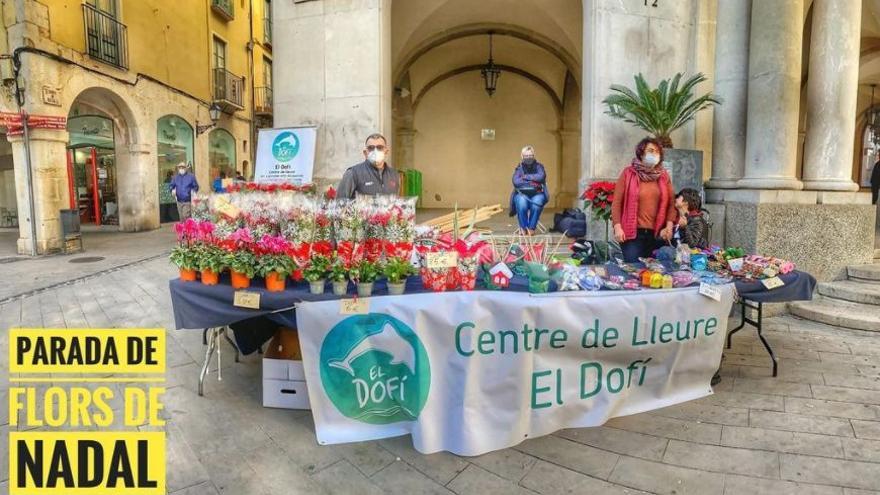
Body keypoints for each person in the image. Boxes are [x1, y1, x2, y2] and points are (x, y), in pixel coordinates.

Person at [611, 137, 676, 262]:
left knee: (654, 273)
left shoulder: (663, 176)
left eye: (657, 152)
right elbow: (617, 202)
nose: (654, 154)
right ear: (641, 152)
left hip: (656, 234)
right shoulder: (628, 173)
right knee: (634, 269)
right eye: (651, 150)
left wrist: (669, 225)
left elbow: (671, 203)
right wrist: (617, 227)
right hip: (632, 234)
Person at [337, 133, 399, 199]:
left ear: (386, 152)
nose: (375, 151)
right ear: (365, 153)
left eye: (380, 147)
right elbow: (340, 203)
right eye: (371, 148)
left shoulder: (394, 174)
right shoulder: (353, 173)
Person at [508, 145, 548, 235]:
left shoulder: (539, 167)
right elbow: (516, 182)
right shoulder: (519, 168)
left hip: (538, 193)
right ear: (522, 156)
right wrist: (533, 181)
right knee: (521, 203)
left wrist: (525, 177)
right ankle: (523, 227)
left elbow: (541, 177)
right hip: (522, 193)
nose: (529, 158)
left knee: (536, 203)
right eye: (526, 156)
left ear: (534, 155)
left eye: (531, 155)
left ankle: (531, 228)